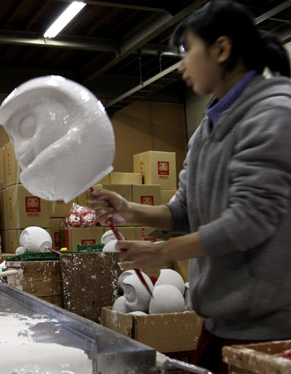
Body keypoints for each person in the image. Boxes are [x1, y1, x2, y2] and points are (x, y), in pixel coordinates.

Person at [89, 2, 291, 373]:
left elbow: (250, 220)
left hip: (270, 330)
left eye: (187, 50)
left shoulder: (274, 113)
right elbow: (184, 209)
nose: (181, 64)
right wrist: (128, 209)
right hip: (219, 320)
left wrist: (164, 252)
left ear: (222, 49)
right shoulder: (207, 130)